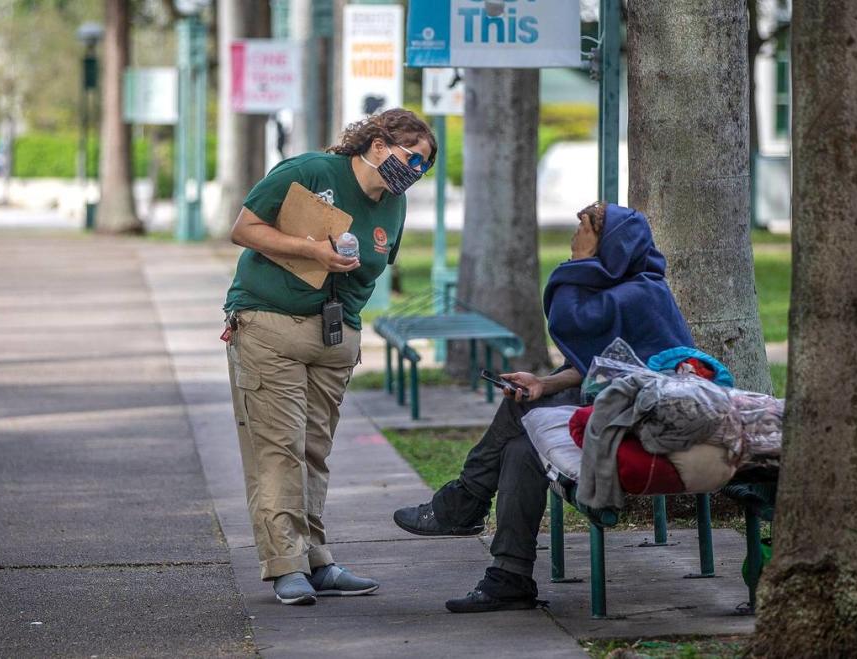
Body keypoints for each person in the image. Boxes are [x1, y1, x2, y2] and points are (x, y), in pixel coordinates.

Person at [393, 202, 694, 613]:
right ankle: (509, 577)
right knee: (521, 448)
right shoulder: (622, 290)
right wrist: (544, 384)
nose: (574, 236)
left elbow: (624, 365)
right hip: (614, 409)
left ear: (610, 243)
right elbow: (598, 369)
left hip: (643, 421)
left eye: (584, 228)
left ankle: (465, 501)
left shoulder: (642, 295)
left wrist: (581, 264)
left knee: (519, 415)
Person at [224, 108, 437, 606]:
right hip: (270, 323)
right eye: (413, 158)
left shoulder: (394, 206)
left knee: (314, 451)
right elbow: (245, 229)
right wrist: (310, 249)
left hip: (336, 337)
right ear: (379, 145)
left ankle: (316, 559)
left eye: (425, 167)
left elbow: (378, 267)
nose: (416, 172)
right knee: (279, 447)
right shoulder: (310, 173)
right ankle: (285, 565)